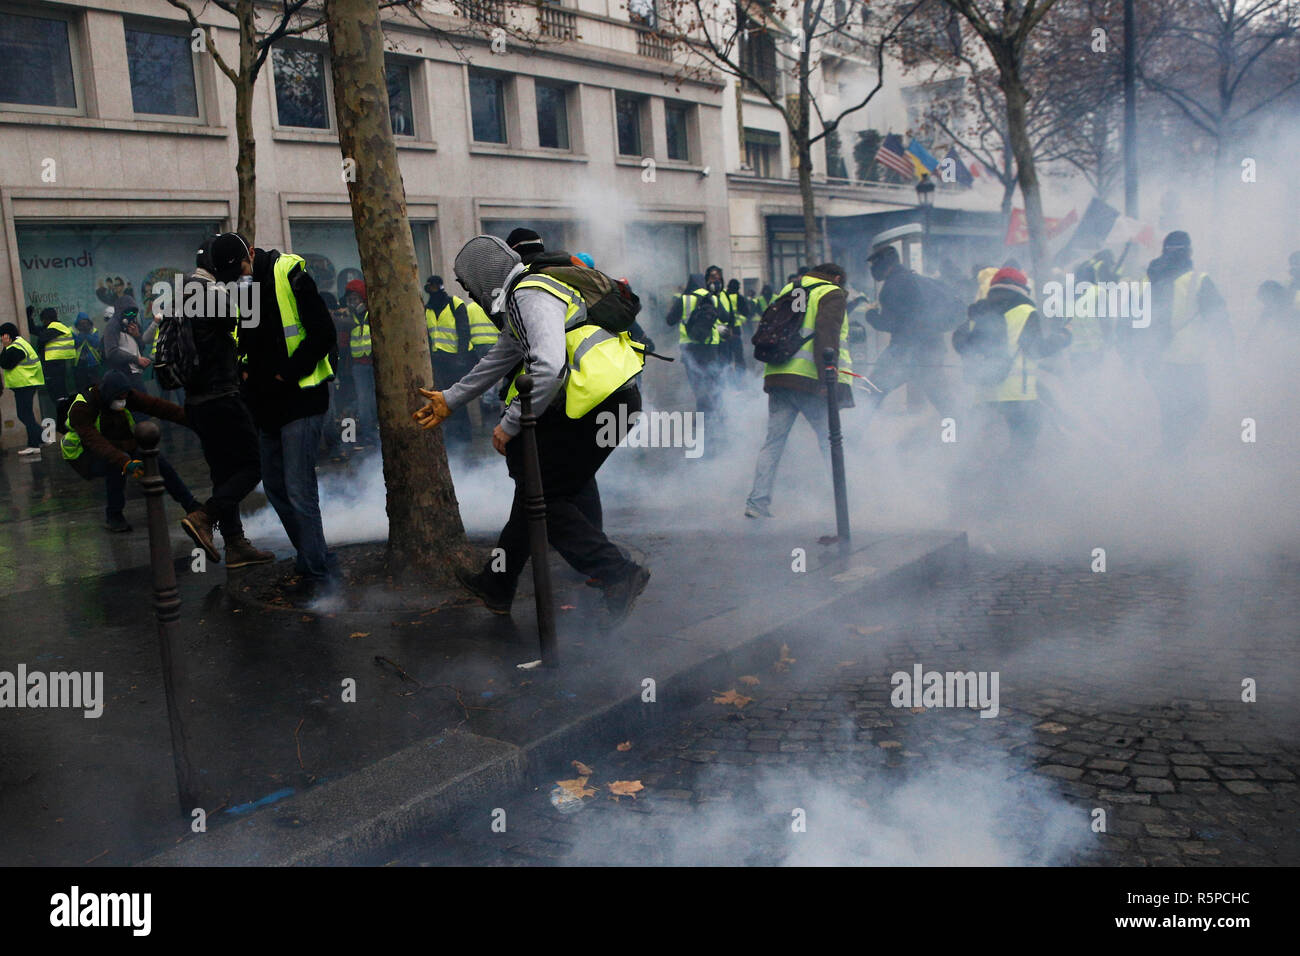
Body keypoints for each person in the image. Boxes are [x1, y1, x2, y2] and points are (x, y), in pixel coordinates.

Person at [413, 235, 650, 622]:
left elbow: (548, 366)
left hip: (598, 404)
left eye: (468, 285)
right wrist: (451, 398)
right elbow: (500, 357)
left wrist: (509, 425)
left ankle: (618, 573)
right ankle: (497, 584)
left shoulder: (530, 294)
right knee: (534, 492)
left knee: (544, 499)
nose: (469, 295)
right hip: (611, 401)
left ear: (482, 277)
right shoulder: (527, 295)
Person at [238, 239, 340, 599]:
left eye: (237, 264)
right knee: (277, 487)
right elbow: (247, 346)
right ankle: (313, 556)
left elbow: (323, 333)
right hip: (268, 408)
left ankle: (316, 570)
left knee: (298, 490)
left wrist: (286, 374)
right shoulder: (244, 288)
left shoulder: (290, 272)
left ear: (249, 253)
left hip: (301, 400)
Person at [177, 233, 276, 568]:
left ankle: (234, 544)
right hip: (220, 396)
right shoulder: (207, 293)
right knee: (253, 464)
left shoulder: (186, 292)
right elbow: (243, 318)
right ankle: (206, 517)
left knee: (223, 472)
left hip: (198, 400)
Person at [744, 264, 854, 518]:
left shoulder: (790, 288)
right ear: (837, 278)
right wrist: (828, 379)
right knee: (830, 440)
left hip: (777, 376)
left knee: (773, 443)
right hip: (807, 379)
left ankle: (756, 503)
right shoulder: (831, 293)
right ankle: (843, 502)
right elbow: (827, 337)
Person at [60, 369, 203, 533]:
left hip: (120, 443)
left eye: (125, 397)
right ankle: (114, 515)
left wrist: (193, 420)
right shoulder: (83, 407)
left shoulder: (124, 394)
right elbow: (95, 441)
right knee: (115, 468)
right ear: (109, 395)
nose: (123, 401)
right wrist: (125, 462)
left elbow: (157, 406)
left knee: (158, 462)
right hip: (86, 454)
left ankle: (190, 504)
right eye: (119, 398)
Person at [952, 267, 1071, 457]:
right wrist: (1063, 338)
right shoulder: (1026, 311)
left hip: (984, 391)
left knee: (974, 444)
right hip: (1017, 394)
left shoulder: (977, 312)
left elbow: (959, 343)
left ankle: (964, 478)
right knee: (1024, 440)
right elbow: (1036, 349)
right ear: (1022, 288)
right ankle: (1007, 481)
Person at [1141, 231, 1232, 455]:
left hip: (1156, 361)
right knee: (1199, 410)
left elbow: (1131, 321)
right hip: (1188, 362)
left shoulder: (1147, 281)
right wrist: (1229, 355)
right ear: (1189, 251)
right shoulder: (1198, 280)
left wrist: (1132, 356)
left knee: (1170, 412)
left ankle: (1170, 459)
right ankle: (1171, 455)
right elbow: (1219, 320)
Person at [860, 244, 955, 419]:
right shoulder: (917, 280)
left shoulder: (893, 286)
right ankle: (956, 438)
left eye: (875, 265)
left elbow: (889, 323)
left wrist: (871, 314)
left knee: (870, 392)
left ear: (884, 264)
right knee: (944, 403)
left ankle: (849, 440)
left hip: (904, 353)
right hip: (931, 351)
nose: (873, 270)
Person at [423, 274, 480, 450]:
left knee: (457, 399)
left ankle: (464, 435)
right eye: (429, 288)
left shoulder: (455, 303)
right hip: (439, 361)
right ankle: (452, 434)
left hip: (457, 360)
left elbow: (464, 331)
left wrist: (461, 357)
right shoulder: (428, 309)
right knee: (443, 398)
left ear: (440, 287)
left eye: (434, 287)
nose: (432, 291)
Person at [666, 271, 732, 416]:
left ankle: (704, 412)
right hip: (711, 348)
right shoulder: (712, 297)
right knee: (712, 380)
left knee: (697, 384)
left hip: (689, 348)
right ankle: (717, 414)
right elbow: (726, 317)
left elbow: (669, 321)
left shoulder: (684, 299)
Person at [0, 322, 46, 456]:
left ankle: (41, 437)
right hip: (25, 384)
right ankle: (35, 444)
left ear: (7, 335)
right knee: (27, 414)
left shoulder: (16, 347)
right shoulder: (18, 345)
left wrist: (5, 347)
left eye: (2, 336)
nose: (1, 339)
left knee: (23, 414)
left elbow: (5, 364)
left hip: (25, 384)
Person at [344, 278, 378, 443]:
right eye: (350, 300)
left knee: (375, 400)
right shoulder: (348, 317)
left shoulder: (373, 314)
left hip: (375, 364)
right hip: (359, 366)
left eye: (355, 299)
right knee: (364, 401)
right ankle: (369, 435)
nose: (353, 303)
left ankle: (377, 432)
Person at [33, 307, 76, 409]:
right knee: (59, 392)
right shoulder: (54, 328)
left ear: (46, 319)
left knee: (58, 394)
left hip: (53, 366)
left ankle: (65, 415)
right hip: (56, 365)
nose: (43, 322)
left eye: (43, 320)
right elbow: (36, 330)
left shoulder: (55, 328)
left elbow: (41, 336)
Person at [102, 297, 151, 386]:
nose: (131, 315)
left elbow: (141, 348)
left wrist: (137, 336)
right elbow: (111, 352)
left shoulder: (135, 325)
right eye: (128, 312)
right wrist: (136, 360)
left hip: (136, 372)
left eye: (134, 312)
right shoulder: (112, 326)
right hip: (123, 373)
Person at [72, 312, 102, 396]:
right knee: (81, 388)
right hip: (79, 364)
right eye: (81, 323)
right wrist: (82, 333)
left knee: (95, 387)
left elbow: (96, 343)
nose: (84, 325)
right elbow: (75, 344)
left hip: (93, 363)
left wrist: (87, 333)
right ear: (77, 324)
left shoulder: (93, 330)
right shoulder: (73, 331)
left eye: (86, 323)